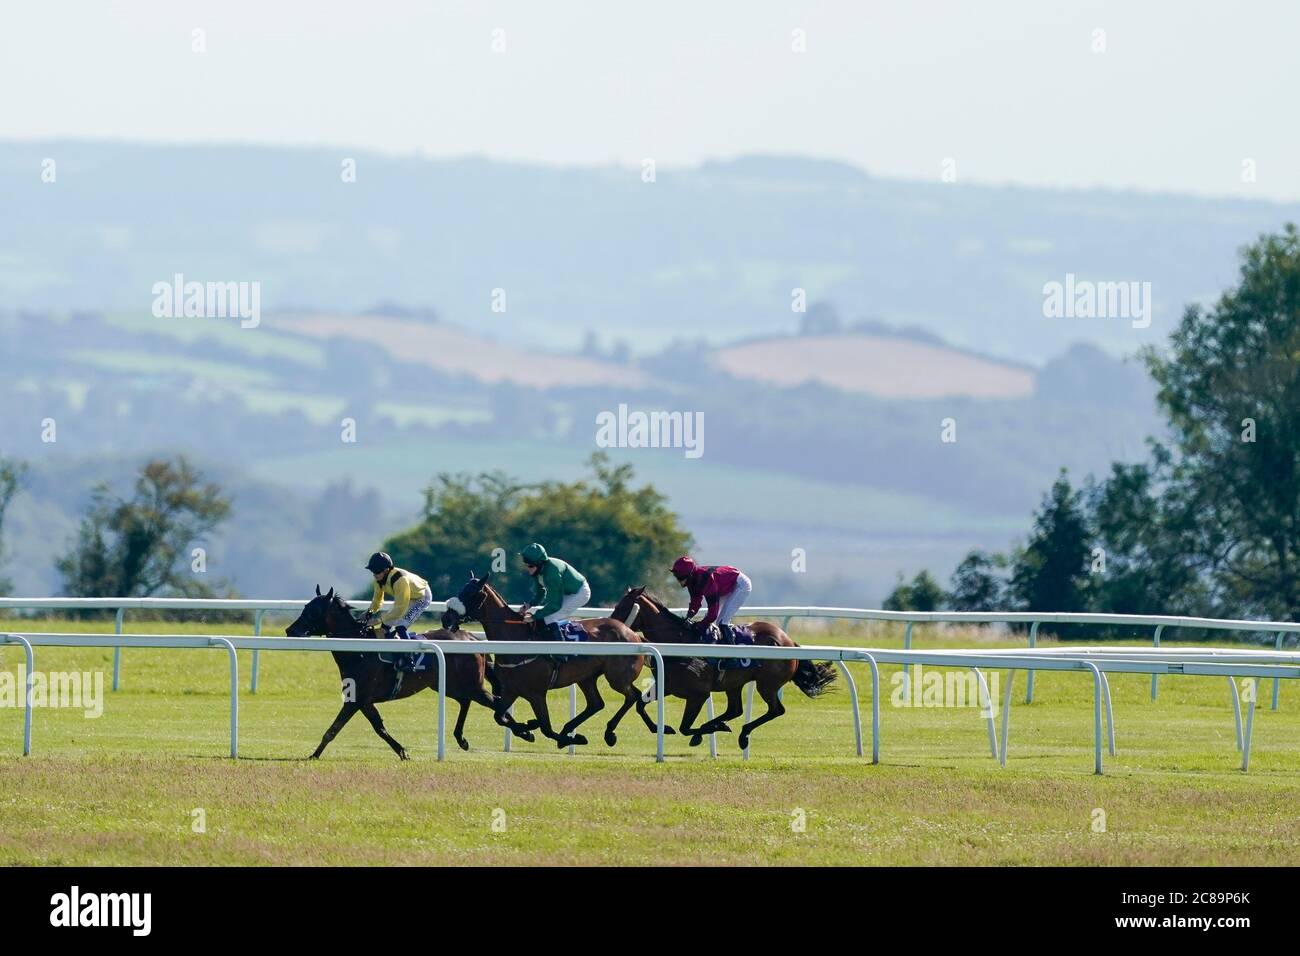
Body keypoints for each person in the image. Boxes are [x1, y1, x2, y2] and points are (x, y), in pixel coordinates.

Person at [363, 551, 433, 671]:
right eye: (372, 572)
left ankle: (409, 659)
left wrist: (379, 619)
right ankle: (390, 656)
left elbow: (400, 608)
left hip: (421, 597)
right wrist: (369, 612)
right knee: (384, 627)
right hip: (407, 597)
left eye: (376, 572)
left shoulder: (400, 580)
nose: (374, 575)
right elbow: (378, 600)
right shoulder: (378, 580)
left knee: (400, 625)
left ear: (386, 570)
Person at [518, 542, 591, 642]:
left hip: (580, 593)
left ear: (539, 564)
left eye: (530, 566)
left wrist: (534, 616)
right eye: (526, 565)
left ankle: (560, 654)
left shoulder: (552, 575)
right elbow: (540, 594)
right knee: (545, 617)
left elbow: (554, 605)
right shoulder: (538, 570)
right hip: (566, 592)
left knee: (550, 618)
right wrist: (529, 605)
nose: (527, 569)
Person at [671, 556, 753, 641]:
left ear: (690, 574)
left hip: (740, 584)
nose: (679, 581)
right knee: (714, 621)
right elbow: (695, 602)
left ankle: (731, 650)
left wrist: (698, 626)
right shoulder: (692, 580)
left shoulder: (706, 580)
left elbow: (712, 615)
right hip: (725, 587)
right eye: (677, 577)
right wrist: (688, 617)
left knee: (722, 622)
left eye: (681, 578)